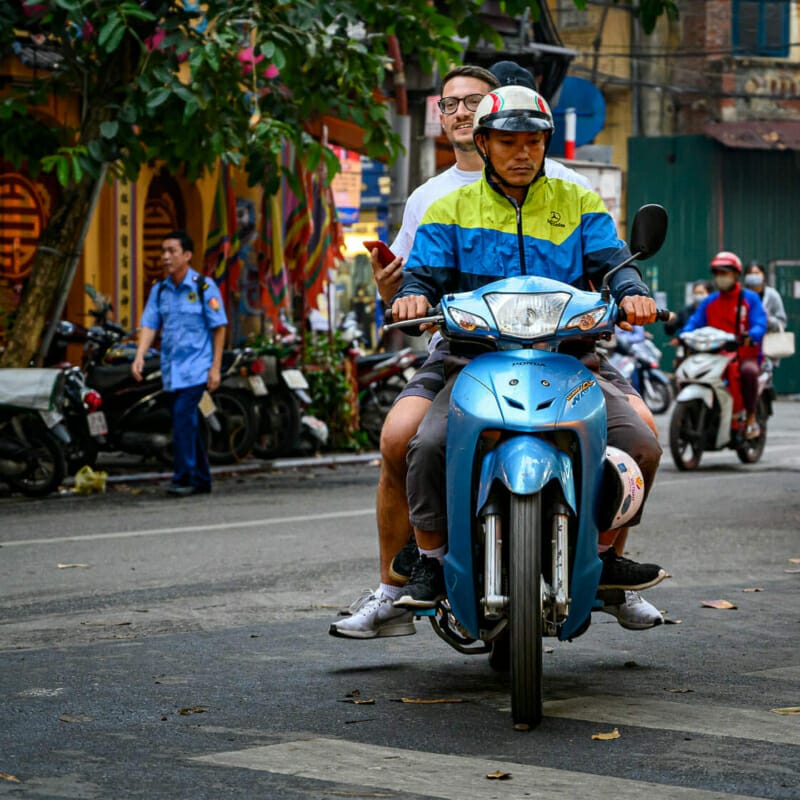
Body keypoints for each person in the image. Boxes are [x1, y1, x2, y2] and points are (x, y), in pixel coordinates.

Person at [330, 65, 661, 639]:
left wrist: (635, 294)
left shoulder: (577, 198)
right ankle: (429, 560)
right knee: (423, 442)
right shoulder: (447, 208)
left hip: (569, 357)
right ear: (483, 144)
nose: (522, 152)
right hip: (468, 359)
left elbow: (614, 261)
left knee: (641, 446)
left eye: (533, 141)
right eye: (508, 141)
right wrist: (410, 298)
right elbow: (422, 277)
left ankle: (602, 557)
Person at [132, 230, 227, 496]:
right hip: (172, 369)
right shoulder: (160, 290)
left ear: (187, 255)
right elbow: (150, 324)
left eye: (172, 251)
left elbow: (219, 327)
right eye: (163, 251)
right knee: (189, 420)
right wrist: (140, 355)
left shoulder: (203, 286)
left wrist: (215, 367)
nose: (165, 257)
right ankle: (202, 478)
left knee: (182, 418)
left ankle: (183, 477)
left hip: (197, 367)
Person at [681, 251, 767, 439]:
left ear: (736, 275)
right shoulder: (709, 302)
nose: (721, 277)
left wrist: (751, 335)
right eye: (717, 273)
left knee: (749, 372)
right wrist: (683, 335)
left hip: (744, 354)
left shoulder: (750, 298)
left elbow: (760, 323)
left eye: (725, 273)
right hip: (714, 355)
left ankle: (750, 417)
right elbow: (694, 323)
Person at [744, 262, 787, 333]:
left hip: (768, 340)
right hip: (746, 340)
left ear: (763, 275)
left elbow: (782, 322)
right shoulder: (742, 295)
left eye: (756, 273)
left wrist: (767, 319)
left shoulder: (772, 295)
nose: (753, 276)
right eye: (750, 273)